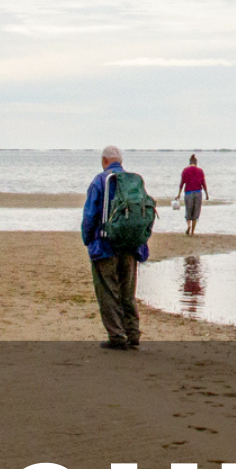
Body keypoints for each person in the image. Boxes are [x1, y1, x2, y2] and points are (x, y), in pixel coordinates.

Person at [81, 145, 148, 350]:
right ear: (120, 161)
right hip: (131, 244)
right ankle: (133, 332)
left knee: (108, 292)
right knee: (128, 292)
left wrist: (88, 240)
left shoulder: (100, 181)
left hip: (105, 245)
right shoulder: (133, 182)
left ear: (104, 161)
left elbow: (90, 216)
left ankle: (117, 336)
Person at [177, 153, 209, 236]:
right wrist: (206, 194)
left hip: (188, 193)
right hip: (198, 192)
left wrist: (178, 194)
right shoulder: (200, 171)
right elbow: (203, 183)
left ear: (189, 162)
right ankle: (192, 232)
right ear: (196, 162)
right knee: (196, 212)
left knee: (188, 211)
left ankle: (188, 226)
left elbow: (182, 183)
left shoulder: (185, 170)